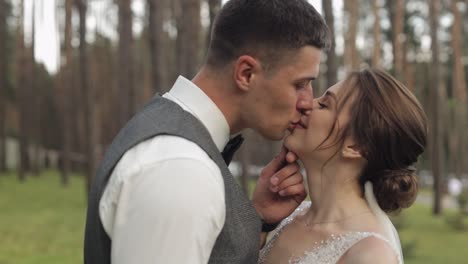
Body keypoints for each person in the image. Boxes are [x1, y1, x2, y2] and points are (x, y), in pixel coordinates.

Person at [84, 0, 330, 263]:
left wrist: (253, 219)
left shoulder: (176, 146)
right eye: (300, 84)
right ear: (246, 74)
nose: (307, 102)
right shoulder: (180, 169)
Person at [258, 68, 428, 264]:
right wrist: (260, 222)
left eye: (324, 104)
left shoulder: (370, 256)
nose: (305, 104)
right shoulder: (286, 219)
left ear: (356, 147)